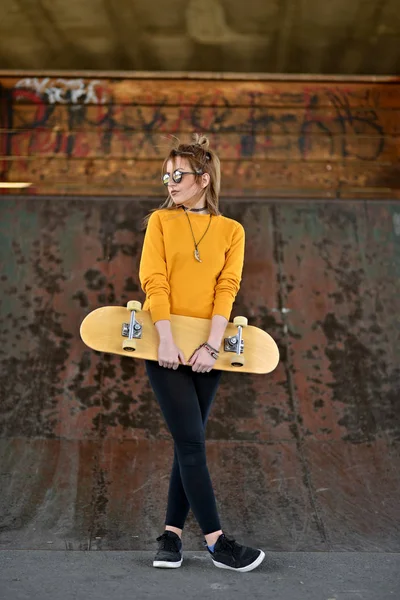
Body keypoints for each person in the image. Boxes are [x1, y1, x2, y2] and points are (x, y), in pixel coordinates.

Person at [138, 134, 265, 572]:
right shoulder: (160, 221)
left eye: (178, 175)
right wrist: (167, 339)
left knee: (186, 442)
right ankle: (216, 543)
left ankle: (171, 538)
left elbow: (226, 289)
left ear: (203, 179)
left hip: (208, 350)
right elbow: (154, 280)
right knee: (191, 442)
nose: (169, 182)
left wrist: (213, 345)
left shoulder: (232, 230)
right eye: (166, 175)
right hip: (165, 344)